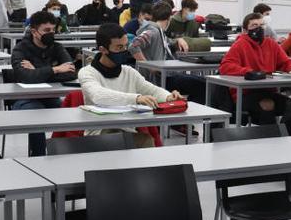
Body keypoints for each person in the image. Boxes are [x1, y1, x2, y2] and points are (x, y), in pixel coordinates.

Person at [79, 23, 182, 148]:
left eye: (125, 46)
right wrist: (136, 98)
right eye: (119, 48)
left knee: (146, 141)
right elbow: (98, 96)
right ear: (103, 50)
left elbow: (151, 90)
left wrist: (168, 96)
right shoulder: (87, 72)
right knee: (133, 142)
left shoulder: (129, 72)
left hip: (127, 132)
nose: (124, 51)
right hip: (99, 133)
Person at [11, 11, 76, 156]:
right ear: (34, 31)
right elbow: (25, 76)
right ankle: (38, 157)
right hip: (24, 98)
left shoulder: (57, 47)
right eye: (47, 30)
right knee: (36, 114)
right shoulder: (20, 49)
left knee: (72, 112)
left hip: (50, 97)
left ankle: (66, 154)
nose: (51, 34)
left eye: (53, 30)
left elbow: (71, 72)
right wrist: (55, 69)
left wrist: (38, 72)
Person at [219, 12, 291, 125]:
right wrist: (248, 72)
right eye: (254, 25)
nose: (259, 28)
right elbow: (226, 66)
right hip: (244, 94)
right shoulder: (240, 44)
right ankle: (270, 139)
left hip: (267, 91)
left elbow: (286, 62)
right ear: (245, 30)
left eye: (262, 25)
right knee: (267, 105)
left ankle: (285, 134)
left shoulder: (271, 44)